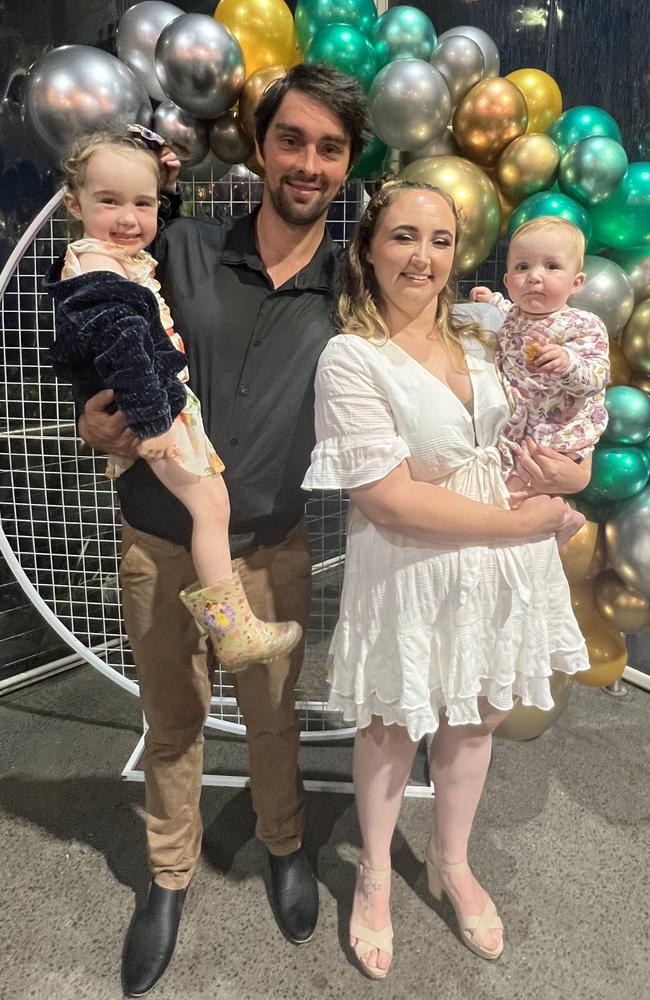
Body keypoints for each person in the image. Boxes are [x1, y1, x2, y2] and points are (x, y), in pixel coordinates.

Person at [76, 65, 370, 996]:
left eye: (330, 147)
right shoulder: (184, 246)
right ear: (260, 145)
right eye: (293, 139)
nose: (309, 162)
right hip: (162, 539)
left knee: (275, 717)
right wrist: (90, 413)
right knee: (172, 722)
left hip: (277, 545)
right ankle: (167, 877)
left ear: (350, 162)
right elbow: (102, 326)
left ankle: (284, 843)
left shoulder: (353, 284)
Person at [303, 180, 592, 979]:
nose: (421, 256)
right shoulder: (351, 356)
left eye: (438, 239)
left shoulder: (493, 328)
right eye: (402, 237)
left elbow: (567, 408)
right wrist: (527, 522)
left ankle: (450, 859)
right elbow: (389, 500)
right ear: (367, 248)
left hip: (505, 575)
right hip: (413, 570)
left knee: (478, 716)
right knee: (395, 723)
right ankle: (372, 875)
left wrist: (572, 473)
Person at [46, 127, 302, 671]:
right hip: (159, 412)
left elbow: (146, 237)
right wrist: (154, 421)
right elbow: (126, 344)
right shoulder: (98, 270)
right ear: (75, 203)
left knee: (211, 507)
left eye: (142, 203)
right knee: (212, 508)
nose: (128, 217)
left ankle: (232, 628)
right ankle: (234, 631)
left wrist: (164, 195)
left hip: (161, 407)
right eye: (108, 201)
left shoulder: (111, 257)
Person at [470, 216, 610, 545]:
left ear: (576, 282)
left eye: (550, 266)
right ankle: (556, 520)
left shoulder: (583, 324)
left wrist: (568, 364)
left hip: (557, 425)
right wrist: (489, 300)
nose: (534, 277)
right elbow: (505, 310)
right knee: (507, 481)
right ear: (507, 279)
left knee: (520, 484)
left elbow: (597, 376)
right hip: (519, 422)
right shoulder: (510, 317)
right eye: (522, 267)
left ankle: (557, 521)